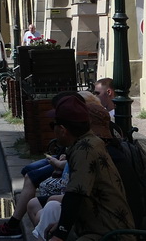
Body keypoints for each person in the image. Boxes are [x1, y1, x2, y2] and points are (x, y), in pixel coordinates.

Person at [36, 94, 134, 241]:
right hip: (100, 227)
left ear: (62, 129)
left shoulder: (85, 150)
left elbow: (75, 195)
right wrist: (61, 226)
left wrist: (60, 234)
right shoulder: (88, 142)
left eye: (53, 125)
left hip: (110, 234)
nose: (52, 131)